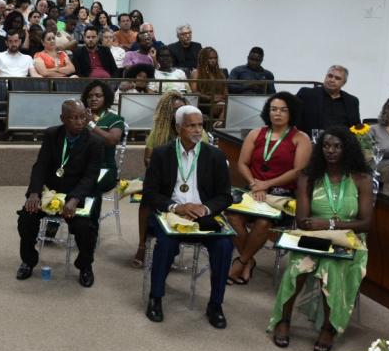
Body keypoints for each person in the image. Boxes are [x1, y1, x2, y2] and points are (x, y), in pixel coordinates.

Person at [268, 127, 373, 351]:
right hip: (313, 237)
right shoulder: (309, 176)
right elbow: (303, 220)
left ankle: (329, 326)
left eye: (337, 146)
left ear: (347, 149)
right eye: (326, 146)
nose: (331, 151)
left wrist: (330, 224)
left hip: (349, 240)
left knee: (331, 267)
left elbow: (365, 223)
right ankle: (283, 320)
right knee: (297, 267)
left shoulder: (361, 178)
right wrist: (321, 227)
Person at [142, 105, 233, 328]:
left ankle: (215, 304)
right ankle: (156, 298)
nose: (197, 130)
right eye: (191, 125)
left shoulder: (215, 155)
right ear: (178, 128)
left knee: (224, 245)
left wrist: (205, 209)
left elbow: (225, 196)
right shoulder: (162, 153)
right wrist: (175, 207)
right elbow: (150, 193)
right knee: (165, 244)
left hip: (204, 215)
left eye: (200, 125)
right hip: (171, 214)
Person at [15, 99, 105, 286]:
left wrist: (74, 199)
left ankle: (85, 265)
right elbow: (40, 166)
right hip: (51, 191)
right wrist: (34, 193)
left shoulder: (94, 142)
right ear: (63, 119)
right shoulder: (52, 134)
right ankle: (28, 260)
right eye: (73, 118)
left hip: (76, 193)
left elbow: (91, 175)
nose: (79, 122)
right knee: (26, 218)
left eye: (82, 117)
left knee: (85, 228)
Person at [226, 93, 312, 284]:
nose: (278, 114)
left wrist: (267, 184)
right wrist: (254, 184)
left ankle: (241, 261)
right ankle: (248, 262)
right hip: (253, 190)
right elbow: (242, 163)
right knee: (232, 218)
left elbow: (298, 171)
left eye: (283, 110)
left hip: (282, 195)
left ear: (292, 113)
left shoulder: (300, 138)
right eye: (274, 109)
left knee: (263, 223)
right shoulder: (256, 133)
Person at [131, 91, 189, 266]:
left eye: (181, 110)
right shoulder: (158, 132)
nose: (178, 115)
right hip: (162, 181)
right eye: (174, 111)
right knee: (147, 201)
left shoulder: (194, 130)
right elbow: (148, 161)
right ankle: (142, 245)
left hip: (187, 181)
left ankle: (173, 242)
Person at [82, 80, 126, 199]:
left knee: (87, 183)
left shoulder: (114, 119)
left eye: (98, 95)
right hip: (81, 166)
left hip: (104, 168)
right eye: (90, 96)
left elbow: (112, 140)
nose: (93, 99)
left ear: (106, 98)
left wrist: (91, 125)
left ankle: (89, 216)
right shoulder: (79, 118)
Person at [296, 65, 361, 136]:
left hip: (343, 143)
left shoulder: (352, 101)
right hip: (312, 143)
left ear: (343, 83)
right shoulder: (307, 94)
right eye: (330, 76)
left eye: (337, 78)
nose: (332, 80)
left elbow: (356, 127)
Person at [189, 46, 228, 123]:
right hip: (204, 103)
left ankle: (218, 127)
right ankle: (218, 129)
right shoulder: (196, 73)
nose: (213, 61)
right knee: (225, 106)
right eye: (210, 58)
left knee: (230, 105)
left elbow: (226, 93)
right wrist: (210, 98)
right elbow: (195, 93)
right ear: (203, 59)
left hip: (219, 102)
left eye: (215, 58)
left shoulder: (220, 74)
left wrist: (221, 97)